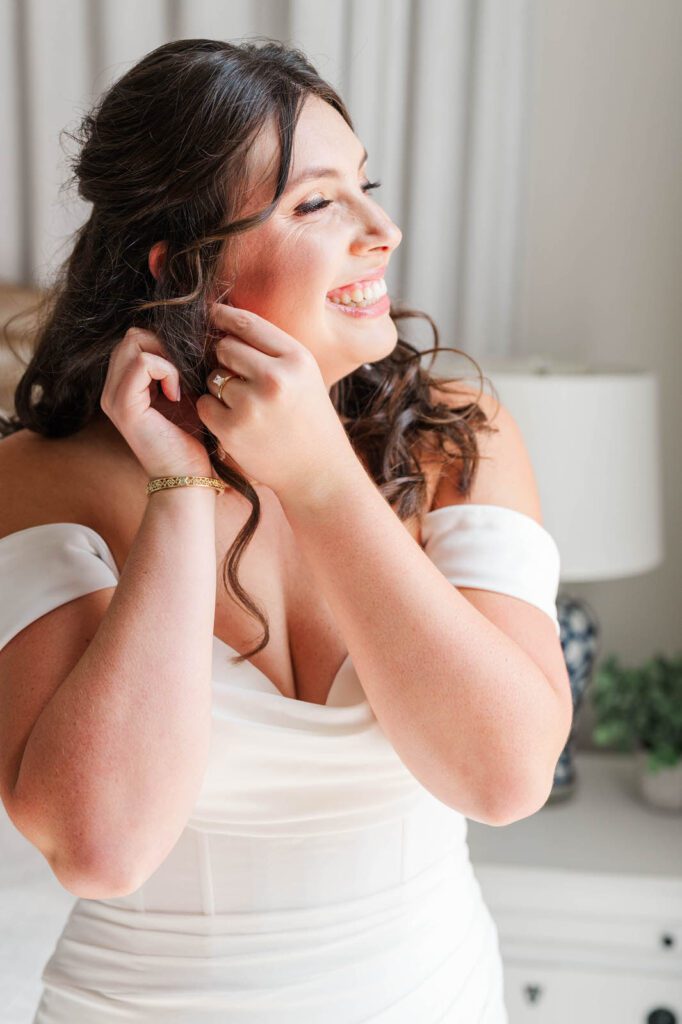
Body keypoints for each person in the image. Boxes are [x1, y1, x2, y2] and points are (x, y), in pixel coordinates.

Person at [0, 38, 571, 1023]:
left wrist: (316, 475)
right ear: (185, 268)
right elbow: (102, 847)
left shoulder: (456, 440)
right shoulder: (36, 481)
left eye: (366, 186)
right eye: (317, 204)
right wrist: (177, 487)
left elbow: (506, 774)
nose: (383, 229)